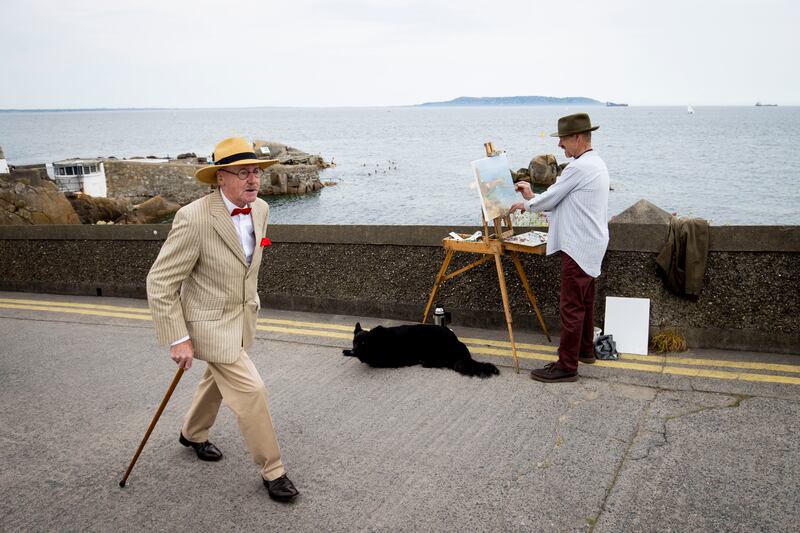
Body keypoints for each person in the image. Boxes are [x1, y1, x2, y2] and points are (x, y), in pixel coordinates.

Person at [146, 136, 299, 501]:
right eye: (243, 172)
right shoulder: (193, 217)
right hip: (208, 324)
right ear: (220, 178)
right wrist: (178, 337)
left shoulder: (260, 209)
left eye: (257, 172)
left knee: (216, 379)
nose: (253, 179)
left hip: (242, 317)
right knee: (252, 391)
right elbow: (161, 281)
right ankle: (273, 471)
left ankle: (192, 433)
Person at [510, 113, 609, 383]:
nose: (560, 146)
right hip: (592, 242)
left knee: (571, 307)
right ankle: (585, 351)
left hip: (578, 245)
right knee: (585, 303)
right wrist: (532, 198)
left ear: (578, 138)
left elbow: (551, 198)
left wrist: (528, 201)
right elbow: (560, 199)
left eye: (563, 140)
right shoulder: (596, 163)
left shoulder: (578, 168)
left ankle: (567, 366)